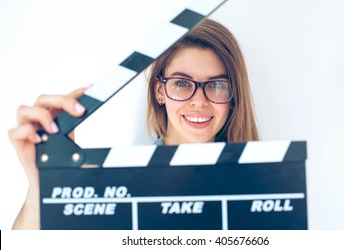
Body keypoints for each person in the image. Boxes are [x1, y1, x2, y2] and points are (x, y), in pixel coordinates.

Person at [8, 19, 260, 229]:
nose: (199, 101)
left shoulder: (267, 183)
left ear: (233, 95)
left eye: (216, 85)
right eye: (182, 83)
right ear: (159, 90)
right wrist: (42, 191)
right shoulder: (117, 181)